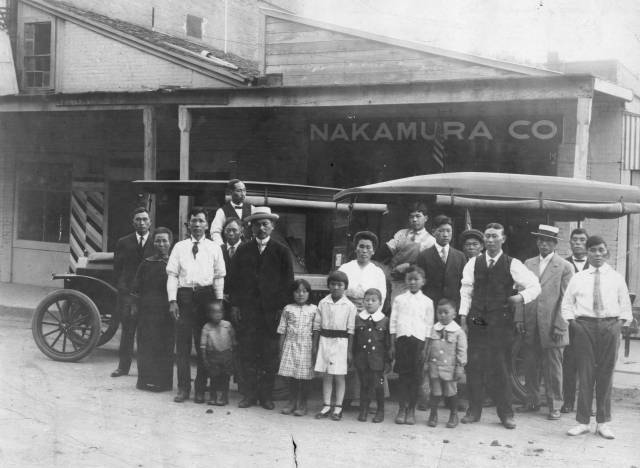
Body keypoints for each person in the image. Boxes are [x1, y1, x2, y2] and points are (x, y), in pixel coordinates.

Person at [459, 223, 540, 429]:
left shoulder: (512, 264)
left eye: (495, 236)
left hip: (500, 323)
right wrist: (463, 318)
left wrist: (520, 298)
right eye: (487, 236)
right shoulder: (473, 263)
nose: (490, 240)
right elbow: (466, 291)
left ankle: (506, 414)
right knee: (474, 366)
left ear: (503, 239)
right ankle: (473, 410)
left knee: (500, 368)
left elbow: (534, 286)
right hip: (477, 320)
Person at [562, 235, 632, 440]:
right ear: (587, 252)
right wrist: (574, 324)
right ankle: (582, 422)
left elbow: (625, 306)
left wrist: (618, 325)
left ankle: (603, 422)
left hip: (610, 326)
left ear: (607, 252)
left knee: (606, 373)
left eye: (601, 250)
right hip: (584, 326)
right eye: (593, 250)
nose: (597, 254)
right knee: (584, 374)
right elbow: (567, 304)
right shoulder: (578, 278)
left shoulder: (616, 277)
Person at [227, 206, 294, 410]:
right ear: (251, 227)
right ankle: (249, 395)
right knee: (248, 354)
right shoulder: (243, 250)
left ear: (272, 226)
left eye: (265, 224)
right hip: (248, 313)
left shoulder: (281, 251)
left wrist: (280, 308)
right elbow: (234, 280)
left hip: (271, 314)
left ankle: (266, 396)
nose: (261, 228)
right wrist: (236, 305)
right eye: (257, 224)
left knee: (268, 356)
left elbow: (287, 282)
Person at [167, 207, 226, 404]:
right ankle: (184, 388)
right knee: (182, 346)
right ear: (188, 224)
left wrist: (217, 302)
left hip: (205, 297)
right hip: (184, 298)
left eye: (201, 221)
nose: (197, 225)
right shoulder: (179, 247)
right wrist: (173, 301)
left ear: (207, 225)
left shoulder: (214, 247)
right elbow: (173, 275)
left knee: (204, 346)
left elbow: (219, 276)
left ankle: (201, 389)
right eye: (194, 221)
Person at [518, 225, 573, 420]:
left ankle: (555, 405)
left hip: (552, 326)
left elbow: (567, 300)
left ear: (555, 244)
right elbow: (521, 293)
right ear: (536, 242)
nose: (544, 244)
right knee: (531, 365)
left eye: (548, 241)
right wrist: (520, 319)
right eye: (540, 240)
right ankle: (532, 400)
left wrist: (560, 325)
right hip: (531, 324)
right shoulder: (528, 263)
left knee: (553, 369)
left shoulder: (565, 267)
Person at [339, 231, 388, 409]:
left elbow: (381, 297)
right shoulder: (345, 268)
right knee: (351, 353)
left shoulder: (378, 272)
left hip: (369, 317)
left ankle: (369, 399)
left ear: (373, 251)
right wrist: (351, 310)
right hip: (348, 313)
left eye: (368, 247)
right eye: (361, 246)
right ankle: (347, 396)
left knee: (369, 355)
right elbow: (340, 291)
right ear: (355, 248)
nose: (364, 250)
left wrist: (370, 316)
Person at [111, 207, 155, 378]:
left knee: (146, 333)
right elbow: (117, 270)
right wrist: (125, 291)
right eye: (138, 219)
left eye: (145, 219)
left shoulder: (156, 241)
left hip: (149, 295)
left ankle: (145, 369)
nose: (142, 223)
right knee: (128, 332)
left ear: (150, 222)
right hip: (128, 295)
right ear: (133, 222)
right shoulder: (124, 242)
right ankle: (123, 367)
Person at [130, 227, 174, 392]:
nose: (161, 244)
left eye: (164, 240)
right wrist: (134, 306)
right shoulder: (146, 263)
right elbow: (136, 287)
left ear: (170, 243)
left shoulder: (173, 264)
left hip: (166, 312)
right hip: (147, 311)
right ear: (153, 243)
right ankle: (144, 381)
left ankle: (162, 383)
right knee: (146, 344)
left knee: (164, 345)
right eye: (158, 240)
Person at [390, 266, 434, 425]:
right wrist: (393, 344)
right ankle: (402, 408)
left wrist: (426, 348)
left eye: (416, 279)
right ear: (406, 281)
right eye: (410, 279)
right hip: (402, 342)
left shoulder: (428, 302)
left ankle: (411, 410)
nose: (413, 282)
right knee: (403, 377)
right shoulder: (399, 299)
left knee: (416, 378)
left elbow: (429, 327)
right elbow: (393, 322)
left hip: (418, 343)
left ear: (423, 282)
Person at [313, 270, 357, 421]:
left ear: (345, 287)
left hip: (341, 343)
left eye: (340, 285)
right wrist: (315, 345)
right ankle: (326, 405)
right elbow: (317, 326)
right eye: (333, 284)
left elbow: (351, 330)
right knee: (327, 375)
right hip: (325, 341)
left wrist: (349, 351)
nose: (336, 287)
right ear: (328, 286)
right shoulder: (323, 302)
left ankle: (338, 407)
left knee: (339, 376)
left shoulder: (350, 306)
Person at [277, 279, 318, 417]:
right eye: (297, 291)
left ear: (309, 293)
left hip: (306, 345)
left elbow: (317, 329)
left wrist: (315, 347)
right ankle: (292, 402)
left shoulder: (314, 309)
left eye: (304, 291)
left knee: (305, 377)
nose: (301, 294)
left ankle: (303, 403)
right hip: (291, 344)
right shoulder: (288, 308)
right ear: (292, 293)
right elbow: (282, 329)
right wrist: (281, 348)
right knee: (292, 376)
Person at [425, 299, 467, 428]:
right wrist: (425, 363)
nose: (442, 315)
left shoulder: (458, 332)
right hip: (435, 368)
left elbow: (462, 351)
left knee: (451, 392)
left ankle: (454, 415)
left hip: (450, 368)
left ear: (454, 314)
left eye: (446, 312)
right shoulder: (433, 329)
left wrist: (460, 367)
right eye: (439, 312)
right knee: (435, 392)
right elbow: (428, 347)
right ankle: (433, 414)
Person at [381, 202, 436, 301]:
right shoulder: (401, 234)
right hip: (395, 281)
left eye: (418, 216)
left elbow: (429, 266)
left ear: (426, 218)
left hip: (415, 283)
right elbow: (387, 251)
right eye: (412, 217)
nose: (414, 220)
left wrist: (409, 266)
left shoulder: (431, 241)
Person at [561, 227, 589, 414]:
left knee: (588, 365)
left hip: (590, 323)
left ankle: (586, 404)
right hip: (570, 323)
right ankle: (568, 401)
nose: (578, 243)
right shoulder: (563, 264)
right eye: (574, 240)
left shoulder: (596, 265)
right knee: (569, 364)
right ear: (570, 243)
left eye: (581, 240)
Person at [354, 288, 390, 423]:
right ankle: (364, 409)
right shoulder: (359, 318)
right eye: (367, 300)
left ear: (380, 303)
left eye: (373, 300)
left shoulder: (384, 320)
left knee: (378, 386)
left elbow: (387, 343)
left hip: (377, 360)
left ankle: (380, 411)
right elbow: (356, 341)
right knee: (364, 384)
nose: (369, 303)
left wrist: (387, 361)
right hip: (362, 359)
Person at [417, 214, 467, 311]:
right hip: (431, 306)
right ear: (433, 232)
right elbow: (421, 285)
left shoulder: (460, 256)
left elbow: (464, 285)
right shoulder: (424, 256)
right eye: (441, 231)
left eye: (448, 231)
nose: (445, 234)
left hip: (453, 307)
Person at [201, 299, 236, 406]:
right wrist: (205, 359)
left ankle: (224, 397)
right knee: (214, 377)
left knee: (225, 377)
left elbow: (233, 341)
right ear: (209, 314)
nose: (217, 315)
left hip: (226, 355)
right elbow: (203, 346)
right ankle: (213, 396)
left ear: (223, 313)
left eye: (219, 312)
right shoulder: (207, 327)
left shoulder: (227, 325)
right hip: (213, 356)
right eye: (214, 313)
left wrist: (232, 356)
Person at [210, 179, 255, 245]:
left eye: (244, 190)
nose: (243, 194)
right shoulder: (222, 211)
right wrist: (222, 246)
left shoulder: (252, 208)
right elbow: (215, 232)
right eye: (239, 191)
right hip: (230, 250)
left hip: (248, 250)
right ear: (231, 192)